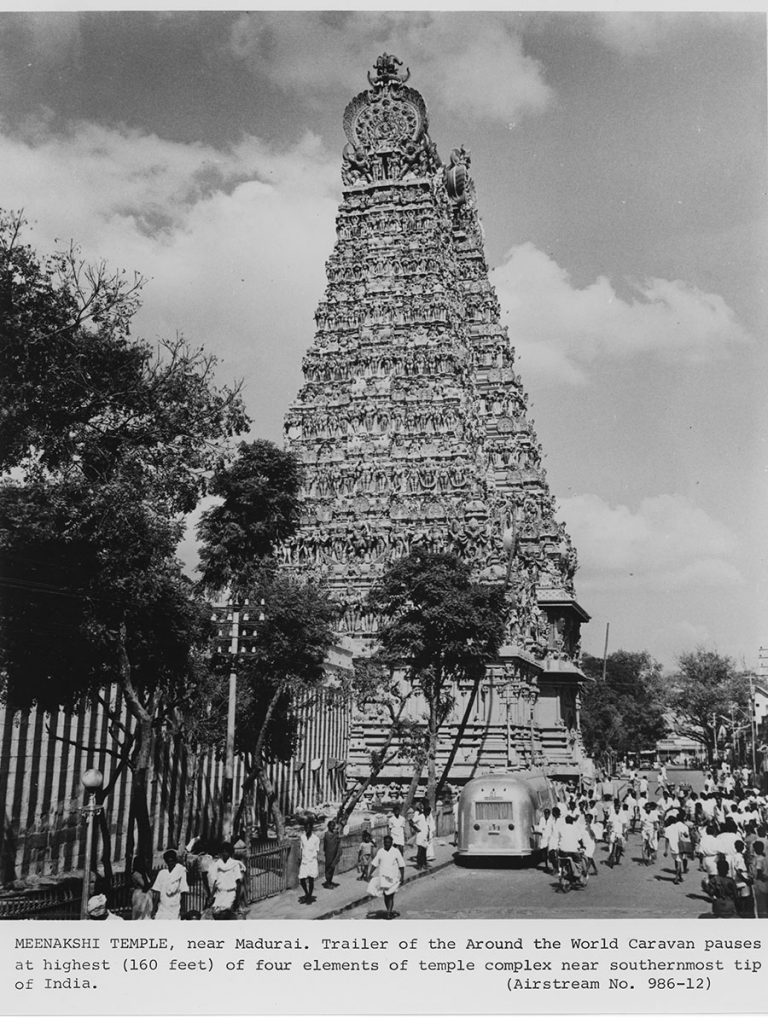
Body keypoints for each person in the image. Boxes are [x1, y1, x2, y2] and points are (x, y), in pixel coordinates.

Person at [366, 834, 405, 919]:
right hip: (383, 878)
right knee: (386, 895)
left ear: (391, 843)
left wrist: (402, 876)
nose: (387, 844)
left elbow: (401, 865)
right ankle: (388, 910)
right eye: (385, 842)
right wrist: (369, 873)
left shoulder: (396, 851)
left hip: (393, 877)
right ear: (383, 843)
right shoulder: (381, 851)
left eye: (388, 842)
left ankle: (389, 913)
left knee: (390, 895)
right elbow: (375, 863)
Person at [209, 842, 245, 919]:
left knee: (225, 914)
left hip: (230, 894)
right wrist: (211, 896)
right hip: (220, 894)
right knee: (216, 914)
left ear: (230, 853)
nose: (224, 853)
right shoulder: (217, 864)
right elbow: (215, 882)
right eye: (223, 851)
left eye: (226, 852)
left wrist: (237, 899)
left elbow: (238, 883)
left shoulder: (234, 864)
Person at [151, 849, 189, 920]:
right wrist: (154, 908)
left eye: (172, 861)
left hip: (175, 907)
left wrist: (183, 909)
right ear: (166, 862)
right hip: (163, 907)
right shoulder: (162, 873)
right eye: (168, 862)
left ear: (175, 861)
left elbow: (183, 891)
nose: (170, 863)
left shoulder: (181, 872)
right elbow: (158, 892)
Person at [663, 813, 690, 884]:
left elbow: (667, 841)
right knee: (679, 863)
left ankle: (680, 877)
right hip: (679, 847)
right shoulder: (678, 827)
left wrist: (666, 850)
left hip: (672, 848)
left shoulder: (667, 829)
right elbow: (685, 835)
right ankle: (676, 878)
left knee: (676, 861)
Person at [298, 820, 320, 905]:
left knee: (311, 879)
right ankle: (307, 894)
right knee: (302, 878)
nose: (307, 829)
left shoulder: (316, 839)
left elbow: (317, 850)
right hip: (304, 861)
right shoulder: (302, 837)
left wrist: (312, 859)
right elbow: (301, 848)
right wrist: (300, 858)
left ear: (311, 828)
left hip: (312, 862)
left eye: (308, 827)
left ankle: (309, 896)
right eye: (305, 827)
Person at [130, 855, 153, 920]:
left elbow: (149, 883)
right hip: (140, 895)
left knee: (146, 915)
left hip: (146, 895)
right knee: (139, 915)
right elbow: (144, 885)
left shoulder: (144, 873)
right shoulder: (136, 874)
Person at [322, 819, 343, 888]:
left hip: (334, 853)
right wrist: (325, 852)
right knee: (328, 867)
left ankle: (330, 881)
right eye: (331, 826)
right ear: (328, 826)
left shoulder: (335, 834)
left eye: (333, 826)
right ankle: (328, 882)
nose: (332, 827)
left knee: (332, 867)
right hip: (328, 853)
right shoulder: (326, 834)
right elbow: (325, 844)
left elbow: (338, 839)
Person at [749, 840, 768, 918]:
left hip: (759, 883)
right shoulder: (764, 858)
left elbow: (759, 871)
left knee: (760, 904)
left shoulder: (758, 859)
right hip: (765, 883)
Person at [411, 802, 428, 870]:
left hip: (424, 834)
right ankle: (419, 864)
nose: (422, 808)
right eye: (420, 807)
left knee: (424, 850)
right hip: (420, 835)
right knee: (420, 850)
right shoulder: (417, 814)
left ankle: (424, 864)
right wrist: (416, 829)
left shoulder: (422, 815)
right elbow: (411, 822)